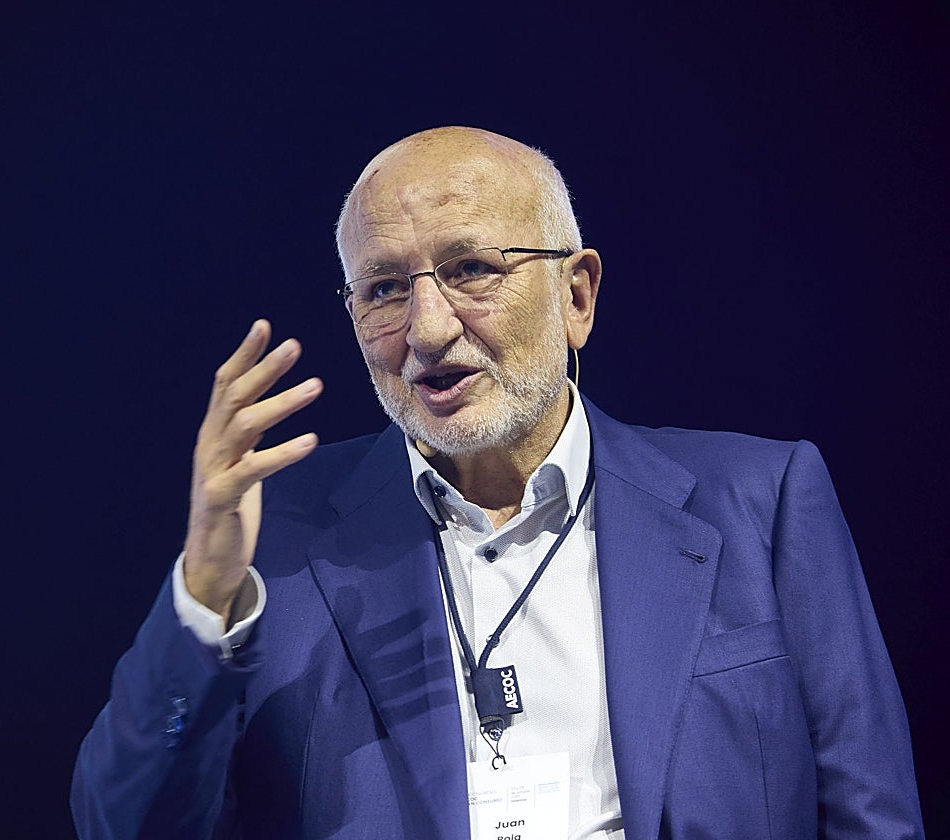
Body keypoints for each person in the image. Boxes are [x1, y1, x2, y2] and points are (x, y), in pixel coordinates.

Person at [71, 127, 924, 839]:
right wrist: (203, 600)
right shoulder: (277, 533)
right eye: (385, 288)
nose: (429, 329)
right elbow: (124, 825)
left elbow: (871, 813)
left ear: (576, 295)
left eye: (472, 269)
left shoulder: (761, 502)